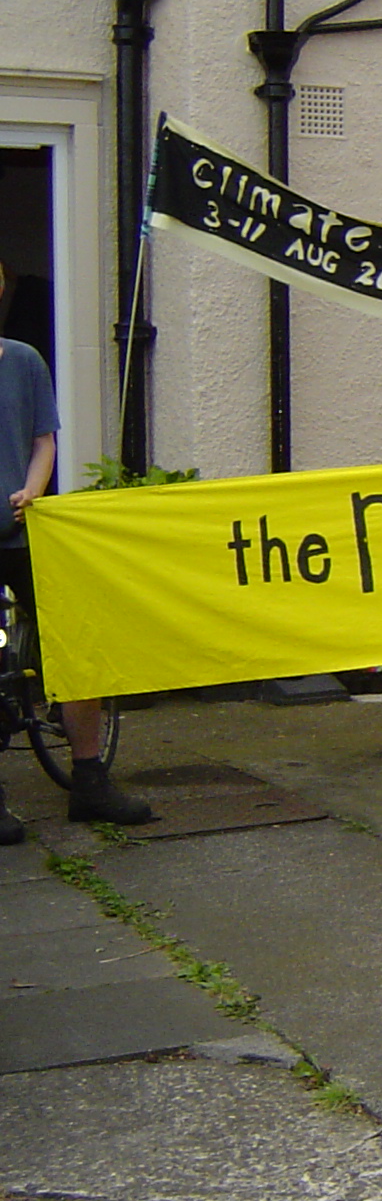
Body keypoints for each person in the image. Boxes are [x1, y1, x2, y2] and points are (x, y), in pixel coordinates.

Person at [0, 327, 151, 837]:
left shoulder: (23, 359)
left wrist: (33, 491)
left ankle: (89, 778)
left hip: (24, 532)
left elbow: (44, 441)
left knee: (80, 640)